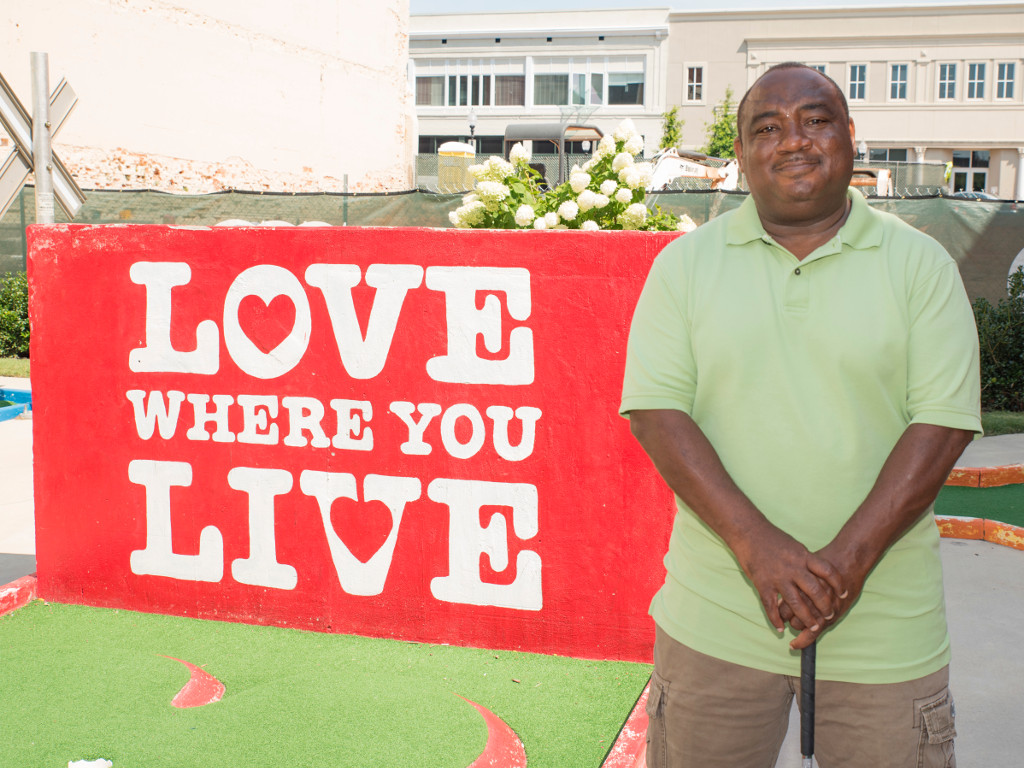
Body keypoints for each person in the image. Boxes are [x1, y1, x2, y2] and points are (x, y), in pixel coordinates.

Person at [620, 62, 980, 767]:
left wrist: (841, 566)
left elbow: (942, 424)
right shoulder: (683, 267)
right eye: (766, 127)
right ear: (740, 158)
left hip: (884, 628)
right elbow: (658, 414)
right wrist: (759, 550)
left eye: (815, 120)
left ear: (851, 137)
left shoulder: (921, 266)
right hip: (714, 623)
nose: (793, 141)